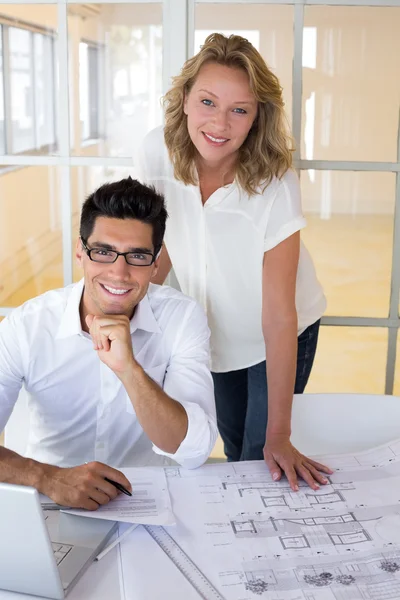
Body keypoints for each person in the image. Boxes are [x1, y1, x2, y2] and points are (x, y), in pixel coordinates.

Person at [136, 33, 332, 491]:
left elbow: (280, 315)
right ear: (184, 98)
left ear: (256, 115)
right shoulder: (154, 152)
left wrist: (280, 435)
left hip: (281, 332)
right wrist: (128, 307)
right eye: (207, 101)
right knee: (231, 441)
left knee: (259, 456)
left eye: (239, 109)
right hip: (213, 330)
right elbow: (159, 245)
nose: (220, 123)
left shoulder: (274, 181)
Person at [0, 177, 217, 510]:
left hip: (148, 501)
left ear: (156, 263)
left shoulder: (182, 318)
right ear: (80, 252)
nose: (119, 273)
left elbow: (193, 451)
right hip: (49, 502)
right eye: (103, 252)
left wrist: (129, 370)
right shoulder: (28, 325)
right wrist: (46, 477)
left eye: (137, 256)